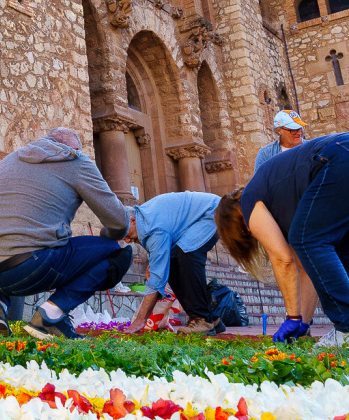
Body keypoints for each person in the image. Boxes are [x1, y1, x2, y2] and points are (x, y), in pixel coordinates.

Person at [0, 127, 132, 340]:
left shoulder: (8, 160)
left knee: (5, 243)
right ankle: (51, 315)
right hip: (27, 269)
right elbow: (120, 221)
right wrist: (110, 233)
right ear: (73, 148)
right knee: (115, 253)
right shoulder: (76, 160)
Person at [215, 132, 349, 347]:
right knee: (339, 249)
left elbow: (283, 260)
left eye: (245, 232)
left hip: (337, 157)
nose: (253, 233)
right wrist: (303, 324)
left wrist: (292, 317)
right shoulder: (285, 199)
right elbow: (306, 268)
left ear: (239, 223)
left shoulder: (249, 200)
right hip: (342, 151)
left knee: (307, 240)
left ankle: (346, 329)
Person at [108, 191, 224, 336]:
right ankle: (211, 319)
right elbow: (160, 255)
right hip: (201, 217)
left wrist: (140, 319)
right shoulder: (145, 222)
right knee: (173, 263)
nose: (127, 240)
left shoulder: (153, 228)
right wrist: (153, 264)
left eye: (125, 234)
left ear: (132, 220)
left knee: (187, 253)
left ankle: (201, 319)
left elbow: (156, 279)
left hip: (211, 212)